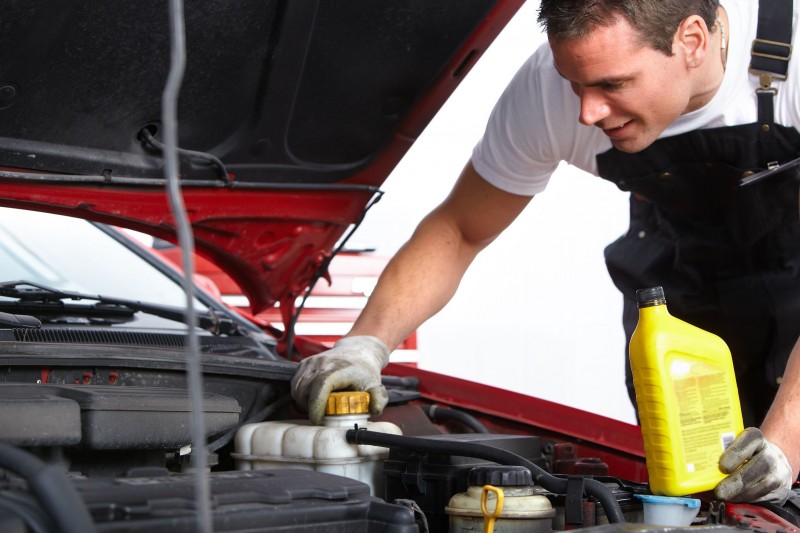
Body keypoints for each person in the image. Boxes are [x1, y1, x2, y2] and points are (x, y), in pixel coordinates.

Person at [292, 0, 800, 504]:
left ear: (692, 41)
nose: (586, 112)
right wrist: (364, 345)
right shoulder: (549, 88)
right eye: (575, 84)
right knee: (702, 497)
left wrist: (784, 444)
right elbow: (461, 230)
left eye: (613, 85)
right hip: (683, 306)